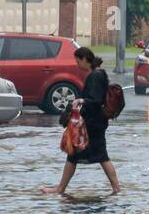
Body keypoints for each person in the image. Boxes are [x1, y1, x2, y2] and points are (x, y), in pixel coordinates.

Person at [41, 47, 120, 196]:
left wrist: (81, 100)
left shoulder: (95, 76)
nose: (77, 64)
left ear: (85, 59)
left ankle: (60, 189)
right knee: (89, 155)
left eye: (78, 61)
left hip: (92, 124)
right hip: (96, 122)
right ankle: (116, 188)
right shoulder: (98, 74)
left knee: (83, 155)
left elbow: (95, 100)